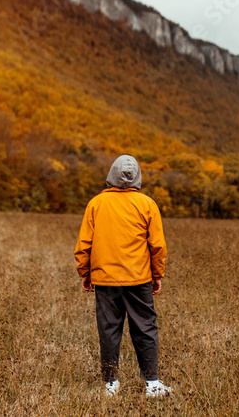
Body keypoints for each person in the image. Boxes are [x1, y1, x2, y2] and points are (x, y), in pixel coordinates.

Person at [74, 154, 173, 399]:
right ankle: (152, 383)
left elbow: (84, 244)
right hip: (139, 278)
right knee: (146, 328)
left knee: (108, 330)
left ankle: (110, 385)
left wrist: (85, 273)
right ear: (137, 177)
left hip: (105, 279)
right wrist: (156, 274)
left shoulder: (96, 204)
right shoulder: (147, 203)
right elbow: (157, 246)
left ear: (111, 176)